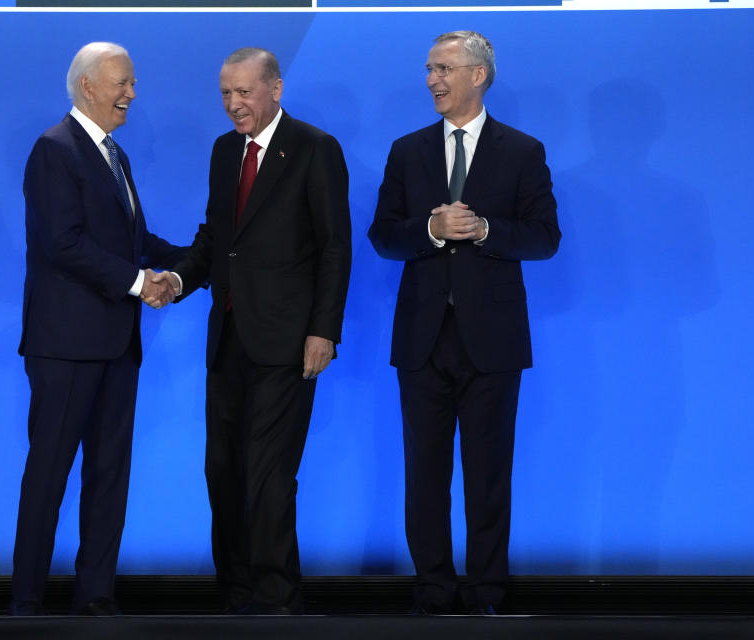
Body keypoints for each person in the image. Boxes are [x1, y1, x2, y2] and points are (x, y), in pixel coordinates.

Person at [367, 31, 560, 615]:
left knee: (488, 474)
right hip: (423, 340)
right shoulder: (407, 151)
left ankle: (486, 590)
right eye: (429, 68)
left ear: (478, 75)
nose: (432, 80)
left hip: (493, 343)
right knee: (423, 474)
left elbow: (545, 238)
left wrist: (484, 231)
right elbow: (382, 235)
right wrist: (429, 232)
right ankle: (433, 588)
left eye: (443, 68)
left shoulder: (523, 152)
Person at [153, 47, 351, 614]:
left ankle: (276, 596)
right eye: (225, 93)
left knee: (269, 475)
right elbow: (217, 239)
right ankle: (235, 590)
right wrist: (178, 280)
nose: (233, 104)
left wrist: (324, 330)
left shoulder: (315, 148)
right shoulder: (223, 151)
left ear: (276, 89)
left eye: (244, 92)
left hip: (289, 341)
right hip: (231, 336)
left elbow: (335, 248)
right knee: (223, 468)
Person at [11, 41, 184, 616]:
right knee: (49, 475)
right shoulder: (54, 150)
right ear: (88, 86)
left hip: (115, 346)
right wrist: (140, 284)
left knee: (109, 474)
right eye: (123, 83)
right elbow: (63, 244)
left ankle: (96, 595)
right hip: (65, 348)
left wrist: (196, 262)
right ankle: (27, 601)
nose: (132, 94)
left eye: (131, 83)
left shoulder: (114, 155)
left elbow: (131, 242)